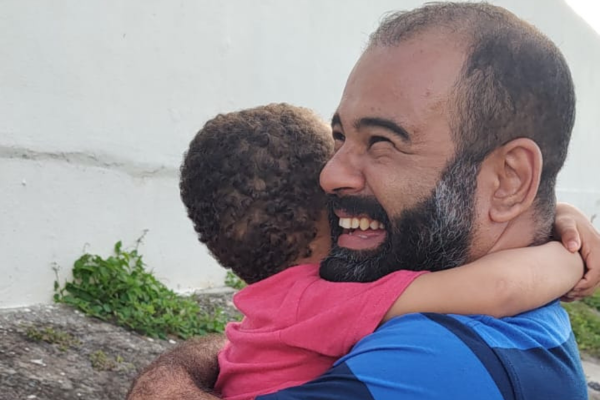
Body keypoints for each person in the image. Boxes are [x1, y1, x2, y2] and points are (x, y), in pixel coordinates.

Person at [128, 3, 600, 399]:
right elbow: (501, 286)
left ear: (510, 181)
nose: (329, 175)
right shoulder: (492, 325)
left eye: (381, 141)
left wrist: (168, 381)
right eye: (340, 136)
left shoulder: (432, 366)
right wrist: (565, 255)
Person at [176, 103, 581, 400]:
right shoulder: (331, 299)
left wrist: (559, 212)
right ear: (337, 207)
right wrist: (568, 255)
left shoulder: (273, 304)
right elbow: (499, 289)